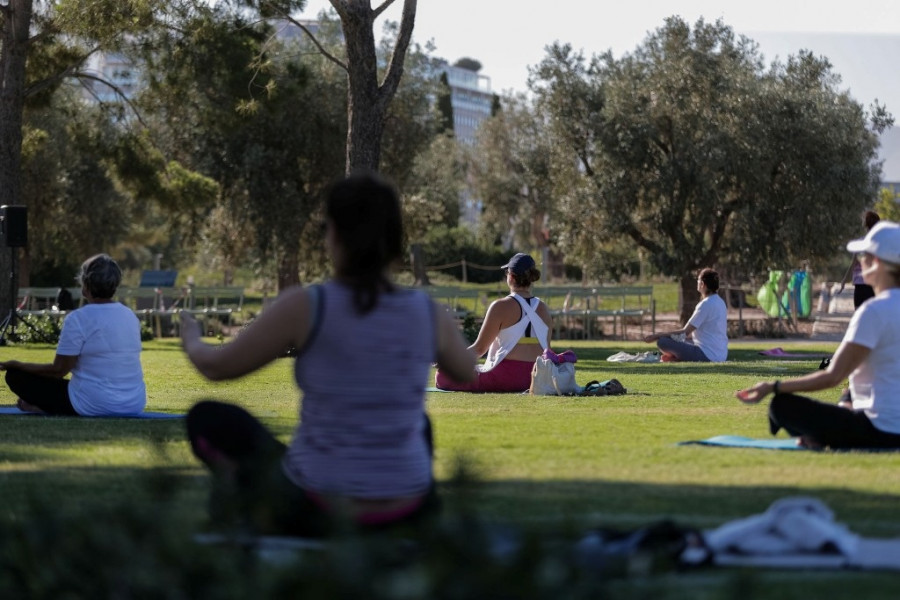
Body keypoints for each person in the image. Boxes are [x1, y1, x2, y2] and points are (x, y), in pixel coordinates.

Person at [181, 171, 475, 536]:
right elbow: (466, 371)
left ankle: (244, 516)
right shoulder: (427, 312)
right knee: (421, 424)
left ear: (333, 235)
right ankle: (399, 516)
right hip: (408, 508)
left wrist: (192, 337)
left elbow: (215, 366)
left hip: (315, 505)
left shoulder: (308, 305)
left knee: (206, 418)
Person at [736, 221, 900, 450]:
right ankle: (823, 434)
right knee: (848, 393)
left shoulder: (873, 311)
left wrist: (773, 386)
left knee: (781, 405)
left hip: (879, 431)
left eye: (864, 256)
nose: (860, 261)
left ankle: (820, 437)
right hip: (882, 423)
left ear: (877, 263)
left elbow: (832, 376)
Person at [0, 254, 147, 416]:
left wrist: (19, 365)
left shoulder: (78, 318)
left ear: (86, 286)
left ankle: (44, 408)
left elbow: (59, 370)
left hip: (93, 403)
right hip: (134, 403)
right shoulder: (130, 315)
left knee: (15, 376)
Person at [434, 253, 552, 393]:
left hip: (507, 377)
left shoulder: (500, 306)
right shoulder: (544, 309)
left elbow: (479, 349)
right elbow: (547, 351)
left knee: (442, 376)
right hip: (537, 377)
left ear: (511, 276)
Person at [642, 268, 728, 362]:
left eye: (698, 280)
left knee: (662, 341)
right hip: (721, 355)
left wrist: (657, 335)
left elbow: (684, 333)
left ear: (702, 284)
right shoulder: (721, 302)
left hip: (706, 355)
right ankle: (675, 358)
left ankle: (676, 358)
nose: (697, 282)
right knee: (680, 341)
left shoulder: (705, 304)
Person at [839, 210, 881, 309]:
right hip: (874, 285)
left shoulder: (860, 243)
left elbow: (854, 263)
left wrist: (844, 279)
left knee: (859, 314)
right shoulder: (880, 244)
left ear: (865, 225)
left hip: (860, 286)